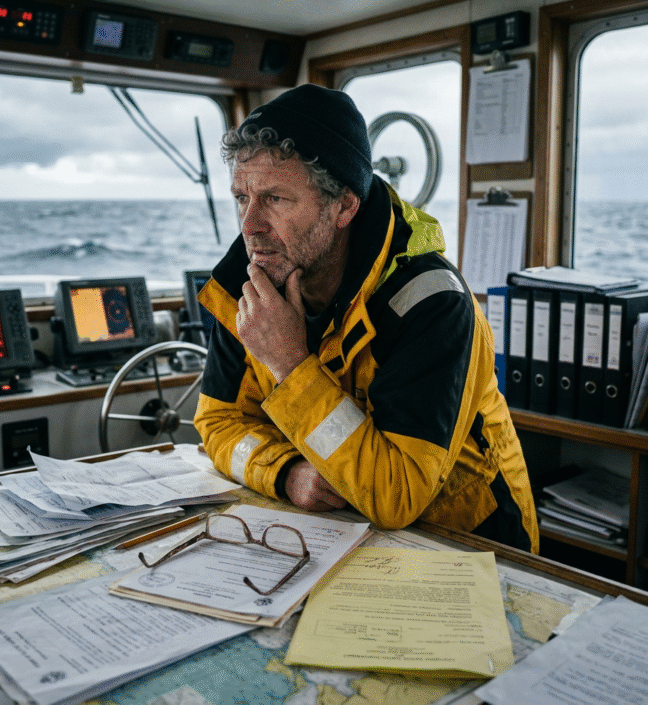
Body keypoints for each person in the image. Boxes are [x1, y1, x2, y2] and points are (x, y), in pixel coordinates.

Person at [194, 84, 539, 553]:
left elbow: (397, 495)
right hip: (337, 536)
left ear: (344, 206)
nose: (250, 225)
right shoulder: (251, 281)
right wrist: (285, 473)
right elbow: (217, 425)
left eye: (275, 199)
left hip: (469, 546)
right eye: (241, 198)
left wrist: (291, 365)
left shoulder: (432, 302)